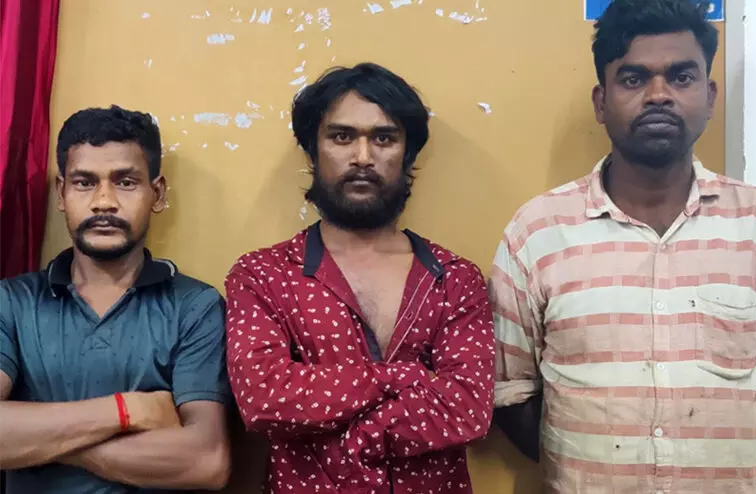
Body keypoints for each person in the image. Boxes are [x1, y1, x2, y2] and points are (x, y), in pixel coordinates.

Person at [491, 0, 756, 492]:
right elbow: (509, 391)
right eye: (633, 79)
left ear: (709, 96)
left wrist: (736, 452)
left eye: (681, 77)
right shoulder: (537, 233)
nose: (659, 95)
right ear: (601, 102)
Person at [224, 62, 495, 494]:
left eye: (383, 138)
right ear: (312, 152)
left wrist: (357, 438)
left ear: (408, 154)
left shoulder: (454, 279)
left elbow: (467, 409)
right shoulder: (263, 275)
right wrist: (400, 378)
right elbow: (264, 398)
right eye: (342, 137)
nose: (363, 157)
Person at [0, 105, 233, 493]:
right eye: (84, 182)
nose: (104, 201)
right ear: (61, 193)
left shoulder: (196, 307)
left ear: (157, 193)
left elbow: (206, 462)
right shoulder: (11, 301)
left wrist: (38, 442)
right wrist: (129, 410)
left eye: (125, 182)